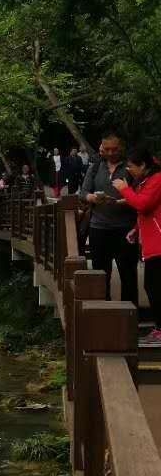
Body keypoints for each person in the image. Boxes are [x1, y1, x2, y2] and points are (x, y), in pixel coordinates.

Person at [79, 134, 139, 303]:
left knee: (128, 274)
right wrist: (92, 198)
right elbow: (83, 193)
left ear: (121, 148)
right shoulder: (96, 167)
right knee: (100, 274)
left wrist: (123, 199)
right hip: (99, 227)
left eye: (115, 149)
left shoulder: (130, 168)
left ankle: (130, 314)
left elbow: (140, 195)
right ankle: (103, 310)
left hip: (125, 228)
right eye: (107, 149)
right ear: (102, 149)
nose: (111, 153)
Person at [113, 145, 161, 343]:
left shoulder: (157, 180)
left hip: (159, 243)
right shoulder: (146, 181)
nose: (129, 170)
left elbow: (143, 204)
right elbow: (147, 211)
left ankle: (160, 328)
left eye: (132, 166)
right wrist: (136, 229)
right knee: (152, 285)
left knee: (154, 286)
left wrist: (124, 190)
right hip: (152, 243)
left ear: (143, 165)